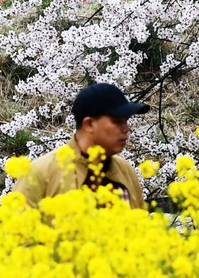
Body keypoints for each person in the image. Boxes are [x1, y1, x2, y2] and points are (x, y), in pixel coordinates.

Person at [12, 82, 152, 208]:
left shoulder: (126, 171)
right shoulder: (40, 173)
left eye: (126, 121)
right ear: (89, 124)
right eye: (117, 121)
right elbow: (15, 234)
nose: (126, 129)